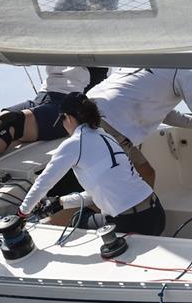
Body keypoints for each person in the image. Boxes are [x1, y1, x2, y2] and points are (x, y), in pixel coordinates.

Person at [17, 93, 166, 236]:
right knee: (89, 212)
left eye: (62, 120)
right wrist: (60, 202)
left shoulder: (74, 143)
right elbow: (103, 189)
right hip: (156, 215)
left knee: (78, 219)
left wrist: (22, 213)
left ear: (68, 118)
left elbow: (43, 182)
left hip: (130, 224)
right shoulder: (107, 137)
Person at [0, 66, 107, 185]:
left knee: (9, 123)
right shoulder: (57, 33)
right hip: (42, 97)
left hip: (69, 105)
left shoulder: (92, 43)